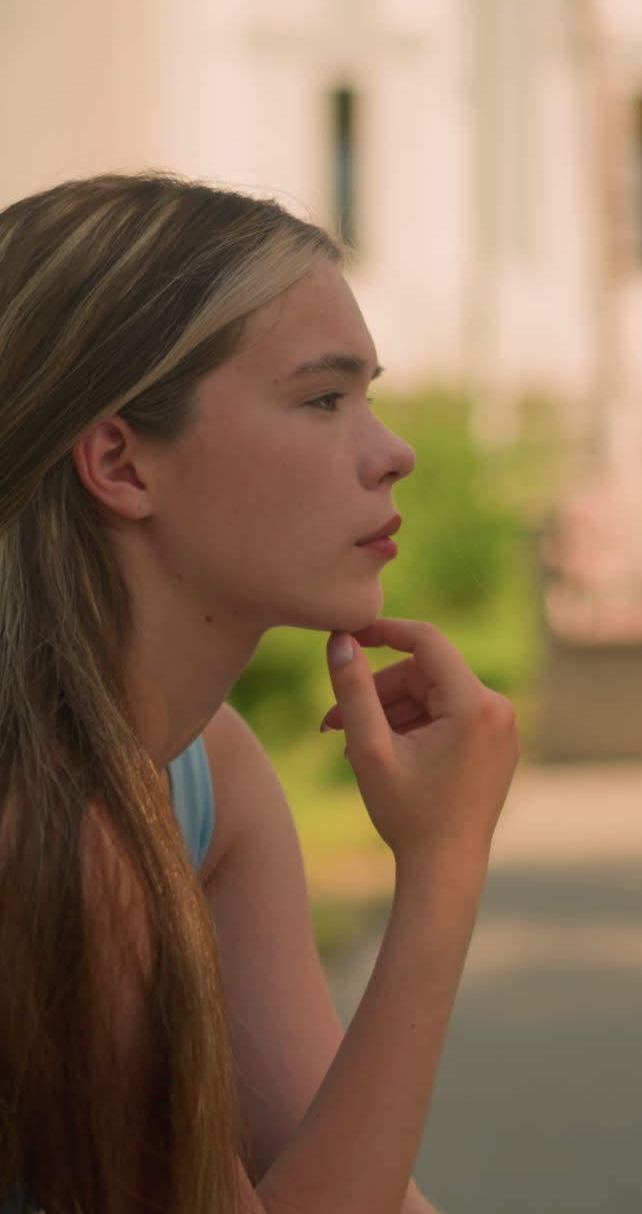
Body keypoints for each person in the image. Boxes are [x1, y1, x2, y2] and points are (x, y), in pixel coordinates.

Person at [0, 172, 520, 1214]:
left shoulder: (207, 768)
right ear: (119, 460)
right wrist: (443, 871)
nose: (394, 453)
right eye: (324, 399)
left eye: (369, 394)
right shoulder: (57, 825)